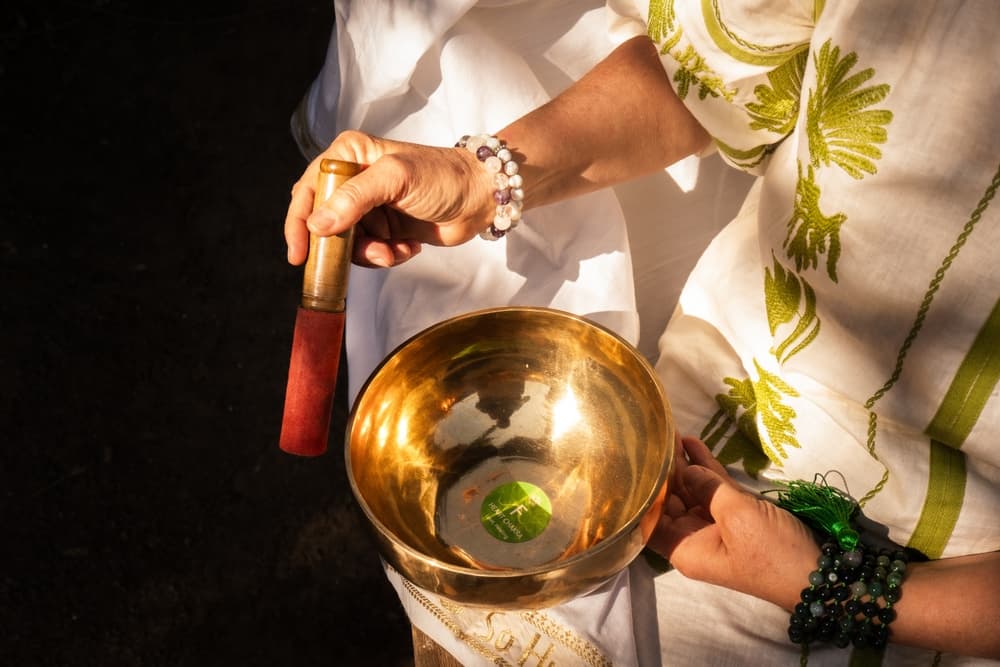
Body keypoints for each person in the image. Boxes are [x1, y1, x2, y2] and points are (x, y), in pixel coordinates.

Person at [285, 1, 1000, 664]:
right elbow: (705, 85)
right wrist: (479, 177)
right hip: (702, 394)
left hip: (927, 580)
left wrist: (833, 585)